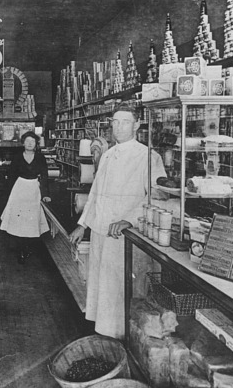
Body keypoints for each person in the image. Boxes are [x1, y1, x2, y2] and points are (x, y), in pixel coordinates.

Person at [68, 101, 166, 339]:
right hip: (102, 232)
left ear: (137, 125)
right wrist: (83, 224)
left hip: (125, 237)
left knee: (122, 288)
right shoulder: (109, 155)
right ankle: (106, 336)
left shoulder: (148, 156)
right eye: (115, 122)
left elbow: (158, 196)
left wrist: (129, 220)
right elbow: (96, 192)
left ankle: (125, 339)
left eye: (125, 122)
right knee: (104, 286)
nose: (119, 127)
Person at [0, 131, 51, 264]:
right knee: (19, 219)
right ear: (23, 143)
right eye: (27, 141)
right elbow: (11, 176)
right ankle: (20, 249)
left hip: (34, 189)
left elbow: (45, 176)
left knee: (31, 220)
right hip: (19, 189)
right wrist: (9, 195)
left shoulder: (40, 158)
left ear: (36, 144)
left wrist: (45, 195)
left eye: (32, 141)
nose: (29, 143)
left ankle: (27, 247)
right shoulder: (17, 157)